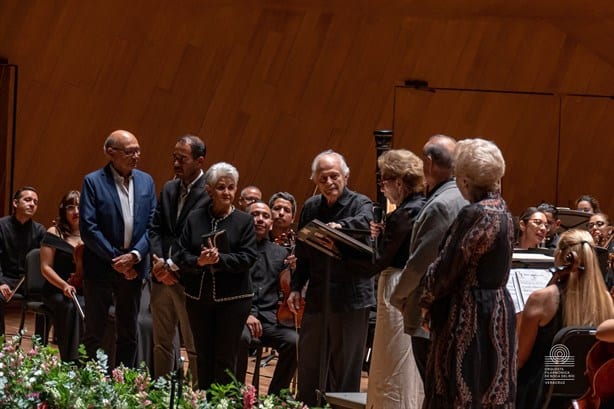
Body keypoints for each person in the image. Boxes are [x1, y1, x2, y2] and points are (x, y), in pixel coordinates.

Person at [419, 138, 516, 408]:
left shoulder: (474, 214)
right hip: (497, 310)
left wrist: (426, 300)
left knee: (458, 391)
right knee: (491, 392)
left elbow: (447, 267)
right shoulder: (505, 210)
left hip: (467, 315)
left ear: (463, 181)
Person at [287, 150, 373, 406]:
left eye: (334, 176)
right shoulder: (312, 206)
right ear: (315, 180)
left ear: (346, 176)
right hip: (318, 296)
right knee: (310, 365)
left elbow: (365, 221)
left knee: (345, 370)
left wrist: (341, 227)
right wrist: (295, 287)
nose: (329, 183)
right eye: (322, 178)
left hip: (351, 300)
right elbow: (302, 252)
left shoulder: (361, 203)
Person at [390, 135, 467, 382]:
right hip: (455, 310)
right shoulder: (465, 197)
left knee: (434, 388)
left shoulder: (441, 204)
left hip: (429, 310)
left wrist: (399, 296)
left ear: (429, 162)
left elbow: (421, 262)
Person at [175, 162, 258, 391]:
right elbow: (180, 254)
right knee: (203, 355)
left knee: (225, 358)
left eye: (231, 187)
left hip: (233, 300)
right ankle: (204, 401)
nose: (227, 192)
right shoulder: (194, 218)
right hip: (198, 298)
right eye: (221, 187)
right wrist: (199, 261)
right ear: (209, 190)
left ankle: (223, 402)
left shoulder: (244, 221)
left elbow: (249, 257)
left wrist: (220, 259)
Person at [79, 130, 157, 368]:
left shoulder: (146, 181)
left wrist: (133, 256)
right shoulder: (93, 181)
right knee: (95, 331)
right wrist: (117, 260)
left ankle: (123, 386)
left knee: (128, 331)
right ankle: (87, 382)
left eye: (138, 150)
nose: (136, 156)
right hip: (101, 267)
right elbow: (89, 228)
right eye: (129, 151)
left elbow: (153, 224)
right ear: (110, 152)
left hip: (134, 266)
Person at [516, 229, 614, 409]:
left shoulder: (541, 299)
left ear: (560, 255)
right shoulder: (606, 299)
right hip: (587, 395)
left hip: (542, 397)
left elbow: (520, 359)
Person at [367, 149, 426, 409]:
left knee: (393, 359)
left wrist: (372, 240)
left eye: (384, 181)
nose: (382, 186)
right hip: (409, 284)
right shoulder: (419, 207)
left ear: (398, 182)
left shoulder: (404, 213)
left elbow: (381, 258)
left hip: (396, 285)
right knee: (405, 359)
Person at [149, 135, 207, 382]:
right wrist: (159, 262)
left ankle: (193, 398)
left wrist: (173, 266)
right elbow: (155, 228)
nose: (175, 163)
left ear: (199, 160)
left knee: (192, 345)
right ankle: (162, 392)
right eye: (174, 157)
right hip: (161, 276)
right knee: (161, 342)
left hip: (188, 278)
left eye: (182, 159)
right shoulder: (170, 187)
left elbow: (200, 239)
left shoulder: (209, 192)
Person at [236, 201, 298, 394]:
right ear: (247, 219)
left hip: (270, 320)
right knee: (239, 339)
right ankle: (234, 395)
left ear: (271, 223)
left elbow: (290, 287)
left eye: (265, 216)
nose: (260, 219)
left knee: (295, 342)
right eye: (255, 215)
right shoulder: (235, 248)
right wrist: (245, 315)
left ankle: (275, 397)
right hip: (240, 317)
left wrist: (295, 270)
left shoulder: (281, 253)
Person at [40, 190, 85, 362]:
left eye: (80, 207)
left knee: (93, 306)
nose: (76, 212)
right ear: (63, 211)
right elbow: (45, 268)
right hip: (56, 289)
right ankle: (70, 360)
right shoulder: (54, 232)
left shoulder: (91, 234)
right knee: (70, 308)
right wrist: (64, 285)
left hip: (81, 289)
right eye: (70, 207)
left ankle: (89, 359)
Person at [0, 186, 46, 337]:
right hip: (6, 278)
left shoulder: (40, 230)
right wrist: (1, 283)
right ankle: (1, 344)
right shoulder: (1, 226)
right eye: (27, 200)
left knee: (50, 298)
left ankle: (40, 345)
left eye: (35, 202)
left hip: (29, 282)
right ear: (15, 203)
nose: (32, 204)